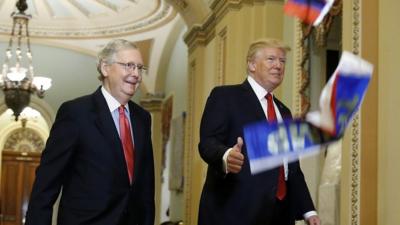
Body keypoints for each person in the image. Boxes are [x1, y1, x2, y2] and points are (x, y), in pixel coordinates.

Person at [25, 39, 155, 225]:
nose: (136, 74)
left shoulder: (142, 118)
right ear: (105, 68)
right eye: (129, 66)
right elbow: (46, 184)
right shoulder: (76, 113)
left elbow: (146, 186)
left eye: (139, 68)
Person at [198, 38, 320, 225]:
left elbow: (292, 168)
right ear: (252, 65)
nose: (278, 66)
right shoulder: (225, 96)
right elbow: (208, 143)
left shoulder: (284, 112)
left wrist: (308, 210)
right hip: (235, 213)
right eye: (271, 59)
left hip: (281, 214)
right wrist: (226, 155)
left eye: (282, 61)